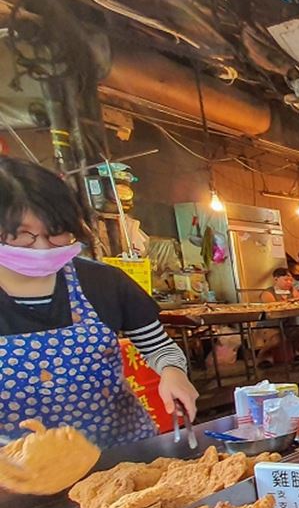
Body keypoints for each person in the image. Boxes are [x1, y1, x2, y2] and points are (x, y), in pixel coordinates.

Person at [0, 157, 198, 448]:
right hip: (20, 474)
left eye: (56, 234)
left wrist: (173, 372)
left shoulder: (103, 283)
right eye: (23, 236)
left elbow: (159, 347)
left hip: (123, 454)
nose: (42, 247)